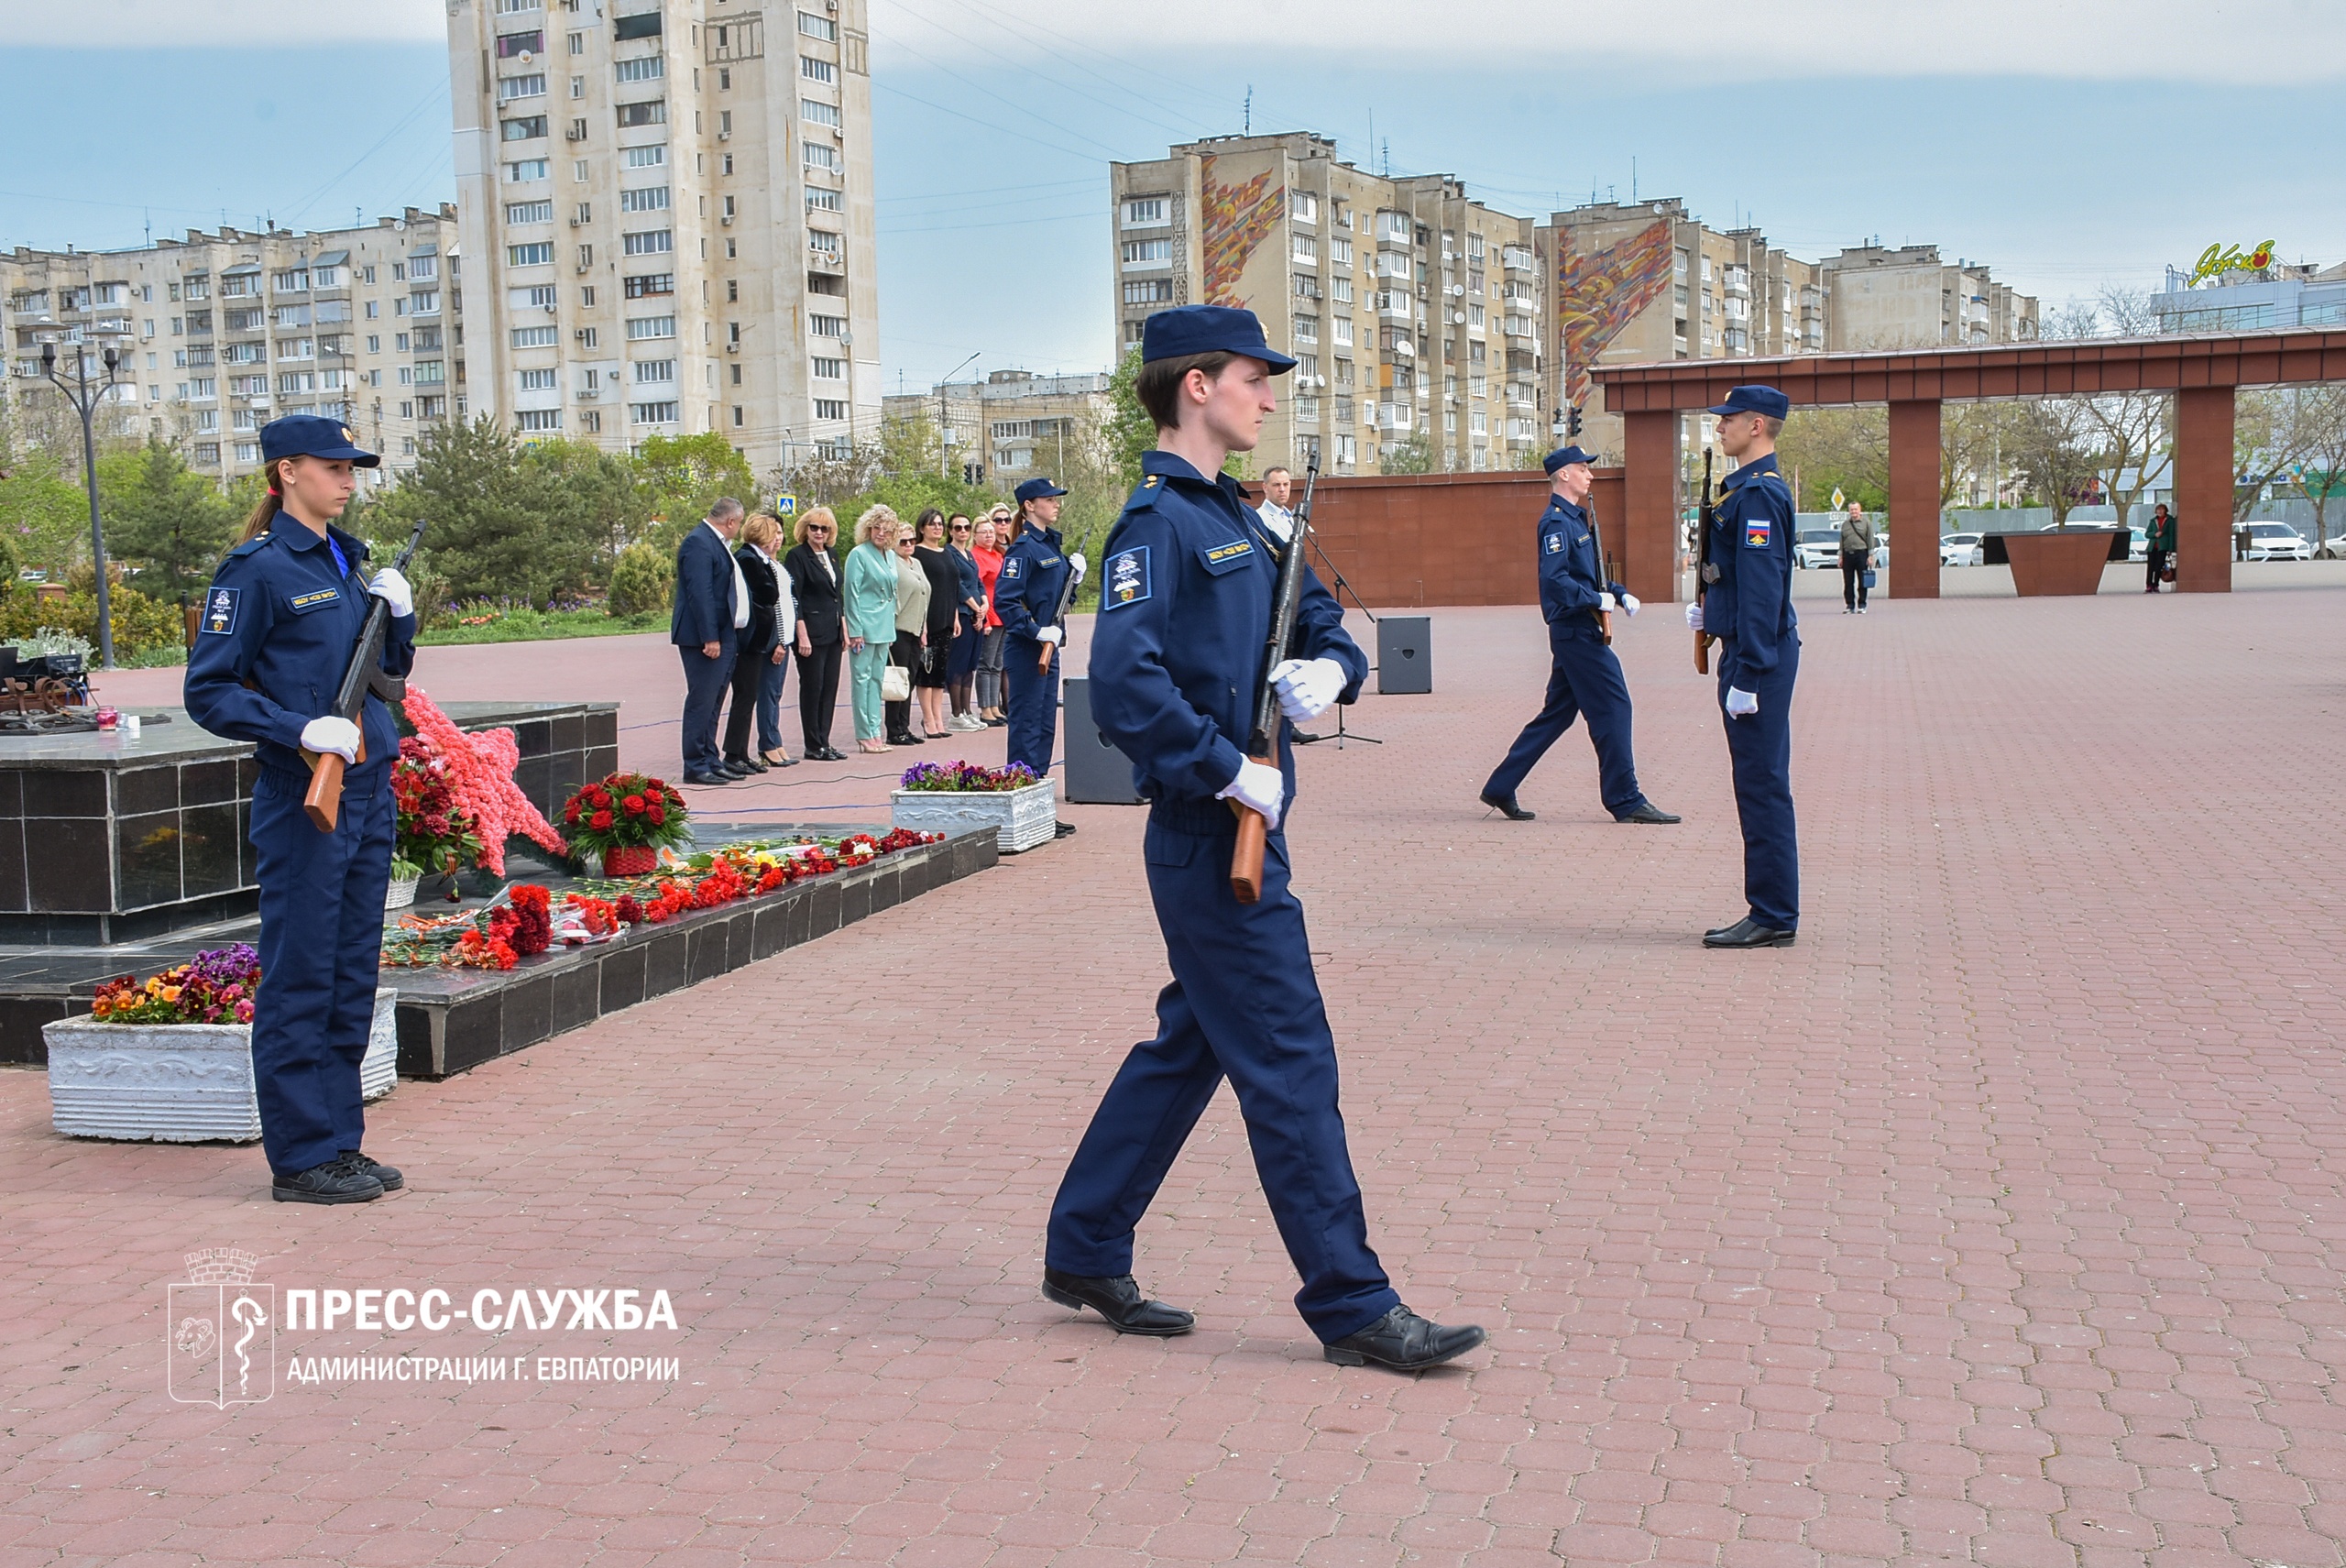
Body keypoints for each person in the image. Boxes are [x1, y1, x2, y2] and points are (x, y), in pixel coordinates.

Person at [1047, 302, 1485, 1373]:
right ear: (1196, 383)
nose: (1268, 396)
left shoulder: (1244, 520)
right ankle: (1351, 1300)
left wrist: (1330, 671)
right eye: (1254, 376)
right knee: (1288, 1056)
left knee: (1192, 1045)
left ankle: (1084, 1242)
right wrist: (1224, 763)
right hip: (1209, 829)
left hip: (1250, 820)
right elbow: (1123, 687)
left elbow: (1325, 624)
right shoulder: (1158, 525)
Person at [183, 414, 416, 1204]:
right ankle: (302, 1156)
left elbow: (386, 677)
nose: (350, 478)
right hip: (304, 797)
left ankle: (339, 1144)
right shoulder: (255, 570)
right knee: (302, 975)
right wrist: (294, 728)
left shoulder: (346, 561)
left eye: (354, 467)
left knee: (351, 973)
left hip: (368, 787)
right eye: (335, 466)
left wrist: (400, 618)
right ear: (287, 472)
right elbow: (208, 690)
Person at [1479, 445, 1678, 828]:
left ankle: (1501, 785)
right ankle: (1625, 798)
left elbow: (1587, 576)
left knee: (1556, 715)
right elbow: (1555, 582)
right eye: (1583, 469)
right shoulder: (1556, 523)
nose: (1590, 475)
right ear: (1564, 475)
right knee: (1615, 708)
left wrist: (1617, 593)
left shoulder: (1575, 520)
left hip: (1579, 627)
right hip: (1576, 630)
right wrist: (1595, 598)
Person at [1686, 385, 1800, 949]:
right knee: (1757, 782)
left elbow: (1763, 592)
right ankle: (1772, 908)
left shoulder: (1756, 496)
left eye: (1728, 419)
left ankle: (1774, 913)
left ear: (1757, 425)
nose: (1720, 426)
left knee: (1761, 785)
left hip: (1759, 657)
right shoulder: (1747, 491)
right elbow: (1739, 583)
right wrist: (1712, 607)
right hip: (1750, 648)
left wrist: (1750, 674)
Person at [995, 477, 1085, 827]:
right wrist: (1034, 630)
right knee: (1026, 727)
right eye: (1048, 499)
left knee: (1045, 726)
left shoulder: (1049, 545)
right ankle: (1020, 811)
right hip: (1027, 649)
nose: (1056, 504)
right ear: (1029, 505)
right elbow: (1005, 600)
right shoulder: (1023, 548)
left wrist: (1073, 582)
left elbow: (1057, 601)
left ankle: (1039, 810)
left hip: (1050, 648)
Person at [672, 497, 749, 786]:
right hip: (705, 637)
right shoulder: (699, 543)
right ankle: (694, 764)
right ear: (731, 521)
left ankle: (710, 759)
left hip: (724, 632)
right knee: (702, 700)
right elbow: (700, 594)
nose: (738, 529)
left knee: (715, 700)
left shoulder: (716, 543)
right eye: (738, 524)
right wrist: (710, 637)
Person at [723, 511, 796, 773]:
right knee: (745, 696)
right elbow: (766, 594)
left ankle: (740, 753)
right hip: (752, 639)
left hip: (762, 638)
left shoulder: (760, 559)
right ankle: (734, 753)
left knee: (752, 696)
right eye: (772, 533)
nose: (776, 539)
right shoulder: (748, 558)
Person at [784, 509, 847, 761]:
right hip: (810, 631)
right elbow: (794, 597)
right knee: (813, 687)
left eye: (825, 529)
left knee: (830, 687)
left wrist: (844, 628)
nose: (819, 533)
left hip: (832, 632)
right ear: (805, 529)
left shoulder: (832, 555)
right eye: (814, 528)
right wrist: (802, 634)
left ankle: (825, 741)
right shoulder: (797, 556)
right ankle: (813, 744)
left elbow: (836, 594)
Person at [842, 506, 901, 754]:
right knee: (861, 680)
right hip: (864, 626)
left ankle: (876, 731)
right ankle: (864, 733)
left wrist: (892, 627)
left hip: (884, 625)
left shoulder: (890, 555)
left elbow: (892, 592)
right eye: (877, 528)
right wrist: (855, 629)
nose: (881, 533)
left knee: (877, 681)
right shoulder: (858, 554)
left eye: (887, 530)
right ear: (868, 529)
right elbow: (851, 594)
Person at [911, 509, 960, 740]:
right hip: (927, 619)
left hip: (948, 617)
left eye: (940, 524)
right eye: (932, 524)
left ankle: (939, 718)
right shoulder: (918, 553)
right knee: (926, 672)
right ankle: (928, 718)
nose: (937, 528)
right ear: (922, 528)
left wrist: (956, 616)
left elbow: (954, 586)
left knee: (940, 673)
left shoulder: (946, 552)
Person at [885, 527, 932, 747]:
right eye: (903, 541)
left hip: (916, 628)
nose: (909, 545)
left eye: (912, 540)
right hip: (898, 628)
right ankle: (894, 730)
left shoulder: (917, 563)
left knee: (911, 678)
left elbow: (924, 595)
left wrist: (924, 628)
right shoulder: (891, 562)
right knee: (898, 679)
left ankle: (904, 727)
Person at [945, 513, 988, 731]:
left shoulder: (969, 554)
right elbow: (957, 584)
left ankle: (967, 711)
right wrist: (973, 606)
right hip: (962, 612)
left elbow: (977, 581)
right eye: (958, 527)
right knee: (958, 665)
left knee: (971, 665)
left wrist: (984, 603)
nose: (963, 531)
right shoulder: (949, 553)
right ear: (950, 531)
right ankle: (956, 713)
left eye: (966, 527)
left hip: (976, 614)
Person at [973, 511, 1009, 725]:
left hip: (1002, 614)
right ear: (975, 535)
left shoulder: (997, 555)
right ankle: (985, 708)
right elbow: (977, 588)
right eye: (983, 532)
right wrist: (984, 618)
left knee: (997, 664)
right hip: (989, 614)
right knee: (985, 664)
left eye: (990, 532)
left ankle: (995, 706)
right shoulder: (977, 556)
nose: (988, 535)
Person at [1838, 500, 1878, 613]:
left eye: (1856, 509)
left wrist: (1870, 556)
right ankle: (1850, 605)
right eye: (1851, 509)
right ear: (1849, 511)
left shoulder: (1866, 523)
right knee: (1848, 582)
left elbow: (1870, 539)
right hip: (1848, 555)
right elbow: (1841, 541)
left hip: (1861, 554)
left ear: (1860, 510)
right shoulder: (1845, 524)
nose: (1853, 512)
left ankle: (1862, 605)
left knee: (1862, 581)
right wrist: (1840, 556)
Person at [1256, 465, 1297, 543]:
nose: (1282, 489)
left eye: (1285, 484)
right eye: (1276, 485)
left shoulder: (1291, 517)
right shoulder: (1259, 518)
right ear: (1265, 488)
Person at [2145, 502, 2176, 592]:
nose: (2160, 511)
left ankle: (2156, 585)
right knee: (2150, 567)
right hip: (2152, 547)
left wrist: (2170, 549)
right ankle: (2149, 585)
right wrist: (2155, 534)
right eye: (2158, 510)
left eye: (2162, 510)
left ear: (2165, 511)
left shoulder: (2169, 520)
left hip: (2162, 547)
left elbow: (2171, 535)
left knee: (2158, 567)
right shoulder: (2153, 521)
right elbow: (2147, 534)